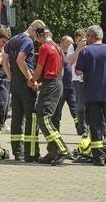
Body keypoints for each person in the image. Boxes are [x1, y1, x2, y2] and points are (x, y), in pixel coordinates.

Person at [3, 19, 46, 162]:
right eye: (39, 33)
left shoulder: (14, 39)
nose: (39, 37)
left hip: (15, 84)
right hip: (26, 85)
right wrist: (30, 79)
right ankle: (31, 152)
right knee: (32, 117)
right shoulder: (28, 41)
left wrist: (11, 77)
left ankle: (18, 152)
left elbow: (4, 60)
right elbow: (20, 60)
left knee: (16, 118)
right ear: (34, 30)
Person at [31, 28, 67, 165]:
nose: (36, 40)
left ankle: (62, 149)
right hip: (57, 82)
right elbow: (60, 70)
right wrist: (44, 83)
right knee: (51, 118)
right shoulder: (57, 47)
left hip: (51, 83)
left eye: (37, 37)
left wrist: (32, 80)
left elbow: (39, 68)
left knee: (44, 117)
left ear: (41, 36)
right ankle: (53, 151)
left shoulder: (45, 48)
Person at [75, 25, 106, 166]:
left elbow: (78, 72)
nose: (85, 38)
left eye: (87, 36)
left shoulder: (86, 51)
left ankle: (99, 158)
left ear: (92, 37)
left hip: (92, 94)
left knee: (94, 125)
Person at [53, 35, 80, 136]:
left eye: (71, 42)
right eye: (68, 42)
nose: (70, 44)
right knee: (58, 109)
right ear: (62, 43)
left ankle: (80, 128)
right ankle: (56, 129)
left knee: (75, 108)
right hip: (61, 86)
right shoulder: (58, 53)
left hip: (71, 85)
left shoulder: (71, 53)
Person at [67, 29, 88, 136]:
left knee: (90, 104)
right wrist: (79, 48)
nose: (82, 42)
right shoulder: (73, 47)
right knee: (80, 106)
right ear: (75, 40)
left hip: (88, 79)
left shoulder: (89, 47)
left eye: (83, 40)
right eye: (79, 40)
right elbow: (70, 61)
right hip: (76, 79)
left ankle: (90, 127)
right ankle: (83, 129)